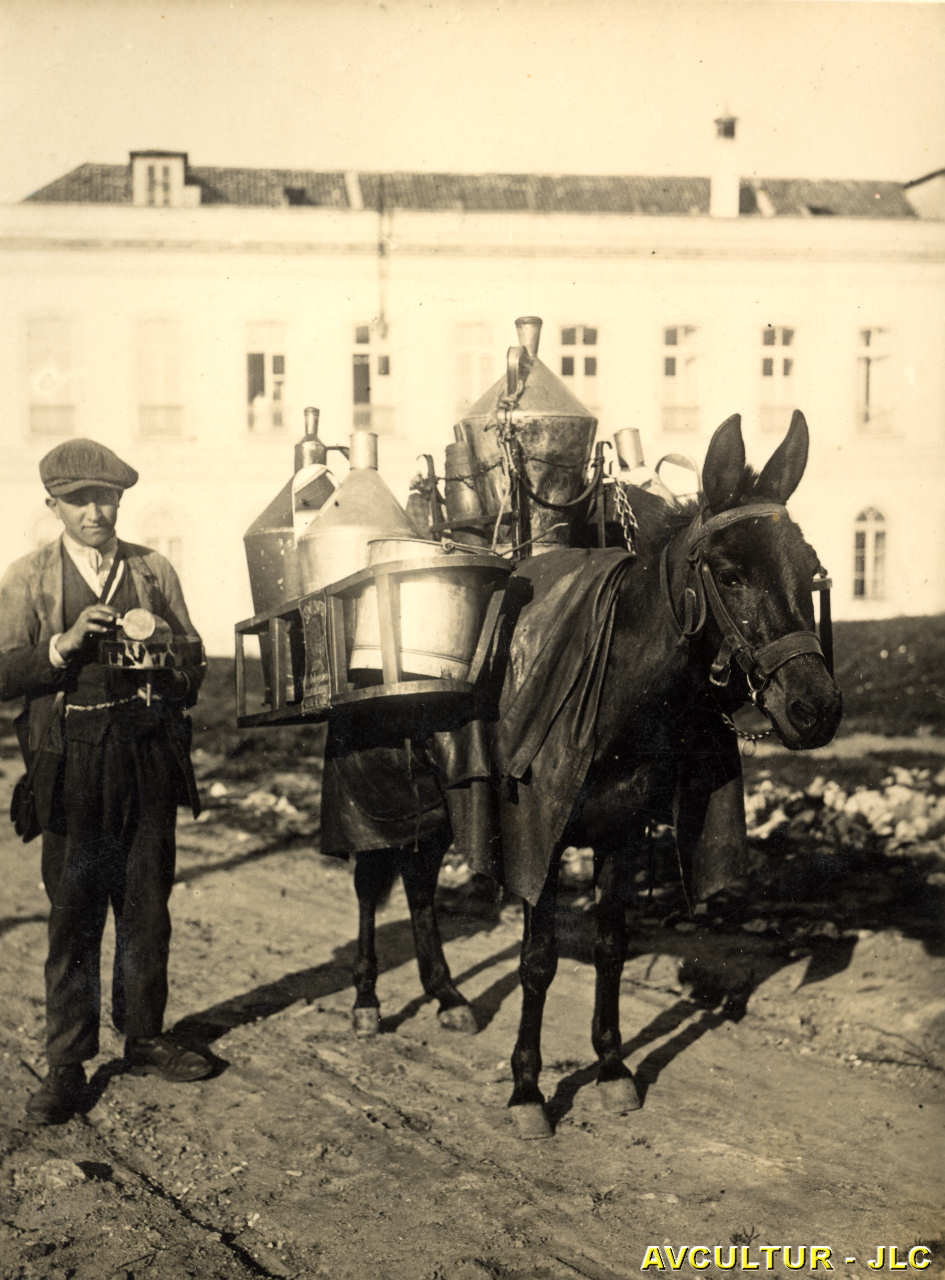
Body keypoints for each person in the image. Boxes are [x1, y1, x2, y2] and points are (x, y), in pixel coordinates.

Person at [0, 438, 212, 1126]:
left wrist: (166, 654)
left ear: (120, 501)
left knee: (147, 905)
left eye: (106, 498)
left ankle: (144, 1036)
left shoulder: (152, 570)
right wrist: (62, 644)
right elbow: (3, 671)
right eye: (79, 501)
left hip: (148, 758)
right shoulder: (29, 577)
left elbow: (196, 658)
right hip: (72, 764)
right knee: (75, 911)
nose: (95, 512)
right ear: (53, 505)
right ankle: (67, 1063)